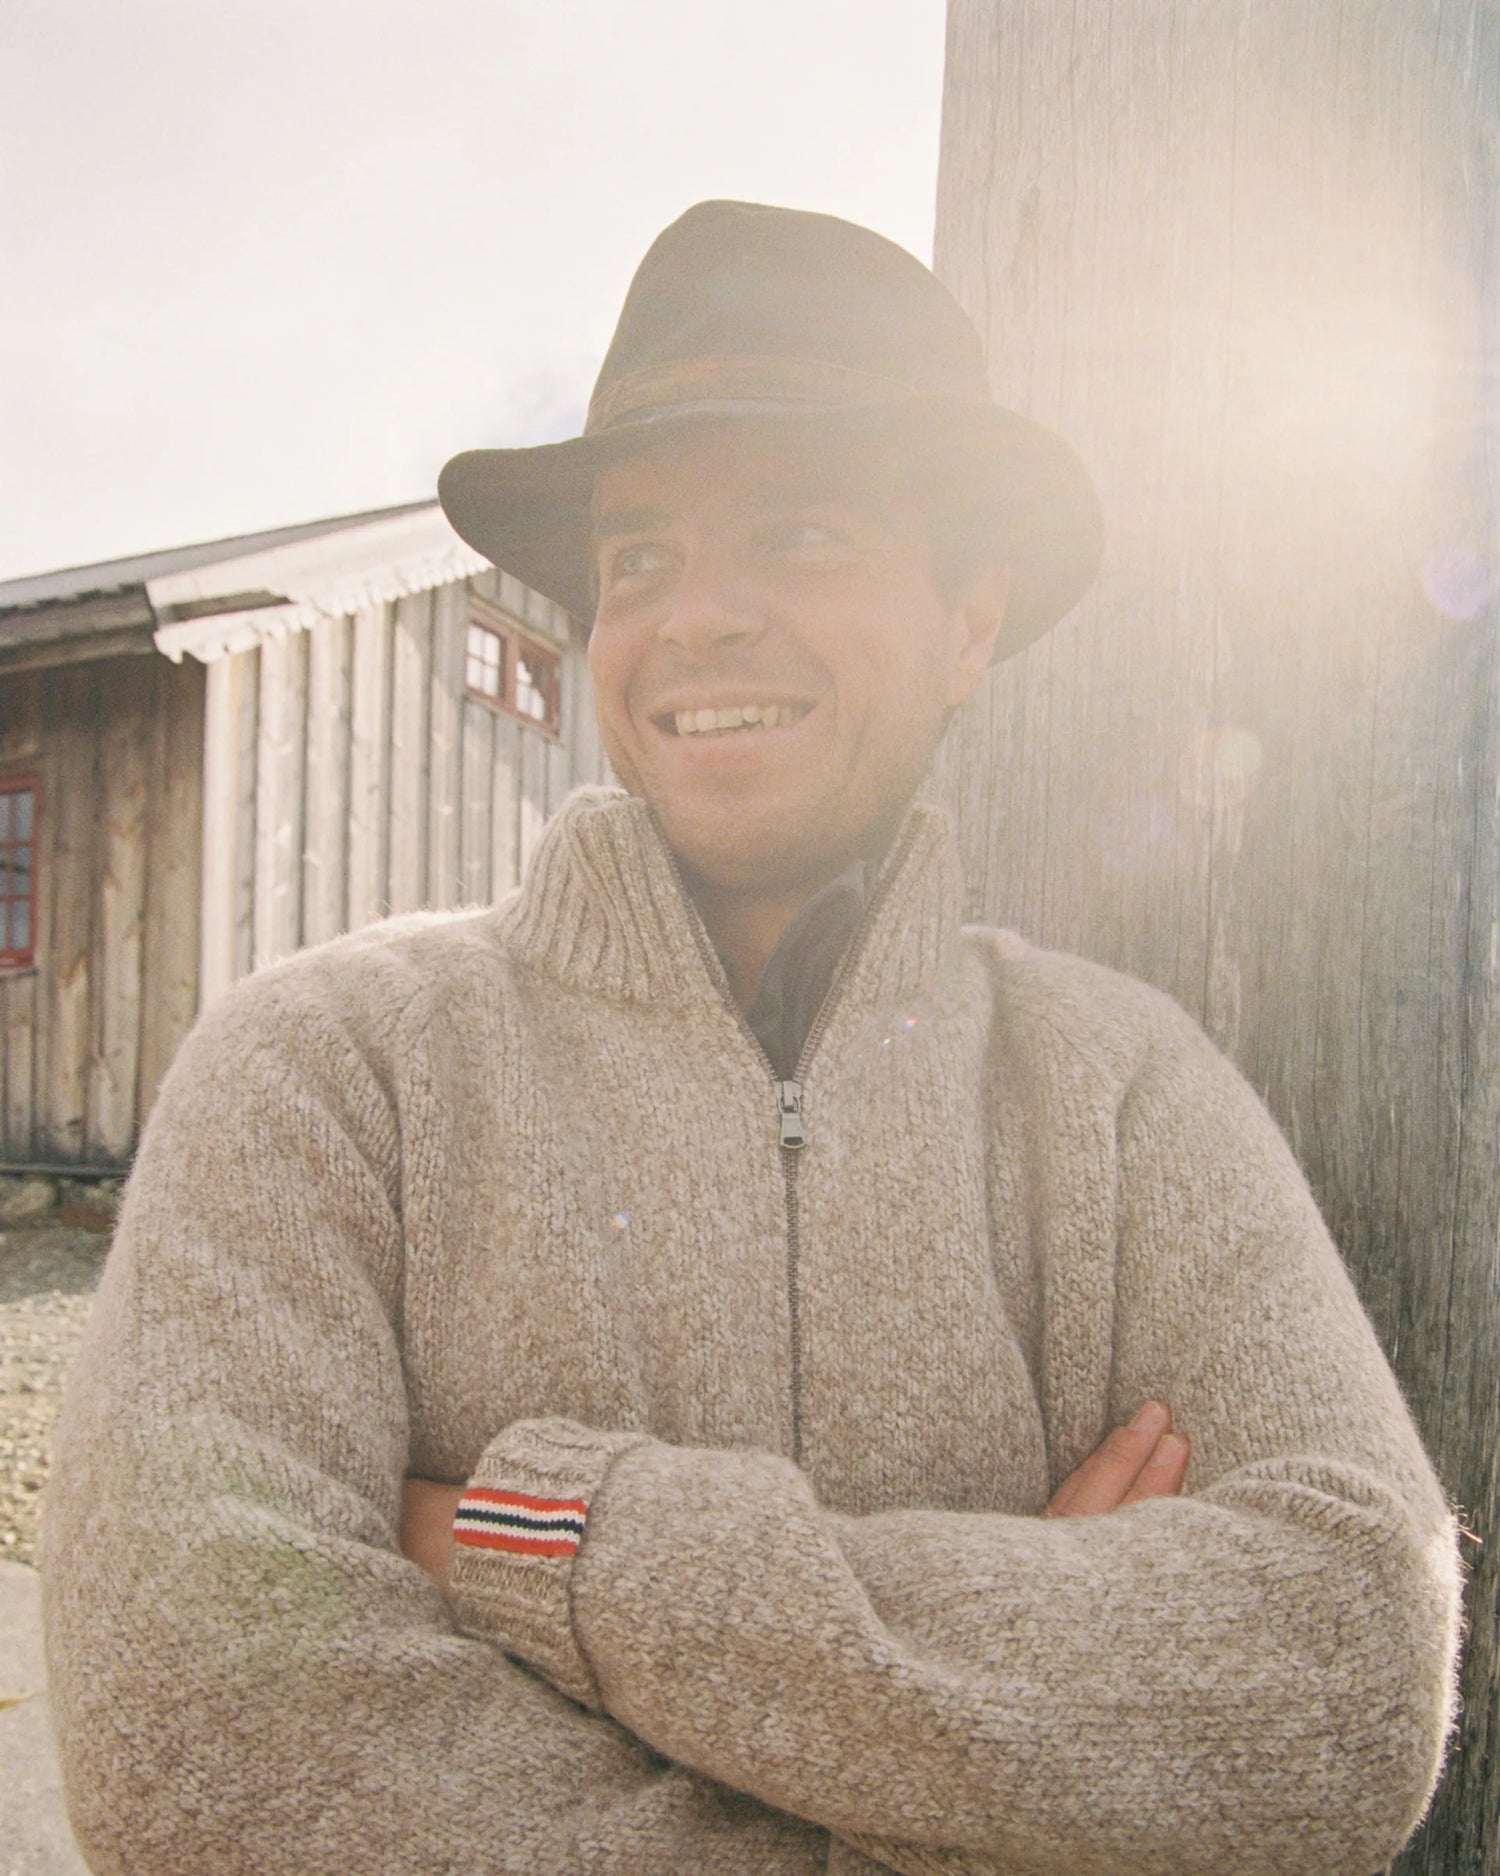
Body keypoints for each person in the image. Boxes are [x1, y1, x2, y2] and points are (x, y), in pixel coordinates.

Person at [43, 201, 1458, 1875]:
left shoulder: (1127, 1091)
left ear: (969, 623)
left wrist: (546, 1542)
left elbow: (1349, 1668)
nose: (694, 617)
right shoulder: (326, 1070)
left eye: (800, 533)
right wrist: (1030, 1736)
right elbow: (197, 1745)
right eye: (639, 557)